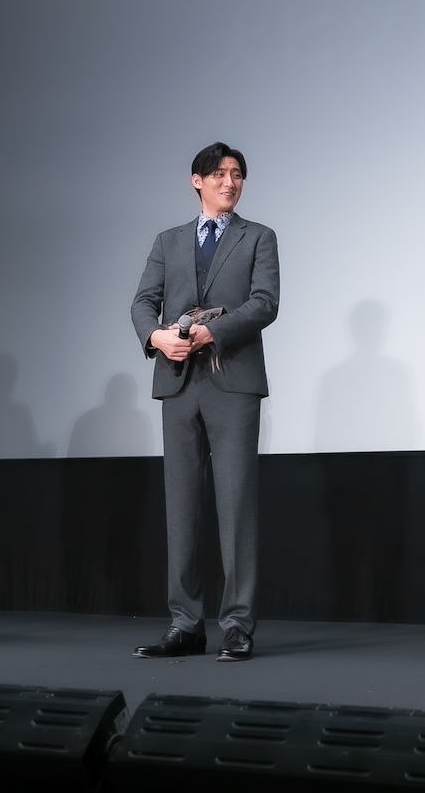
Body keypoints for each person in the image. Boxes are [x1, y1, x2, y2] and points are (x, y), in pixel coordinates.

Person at [130, 142, 279, 663]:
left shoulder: (258, 236)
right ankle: (185, 624)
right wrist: (156, 337)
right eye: (218, 174)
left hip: (232, 381)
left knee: (236, 506)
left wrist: (212, 332)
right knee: (181, 509)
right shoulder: (168, 240)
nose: (229, 182)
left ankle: (236, 625)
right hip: (178, 382)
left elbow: (265, 303)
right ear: (197, 181)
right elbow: (143, 302)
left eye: (236, 174)